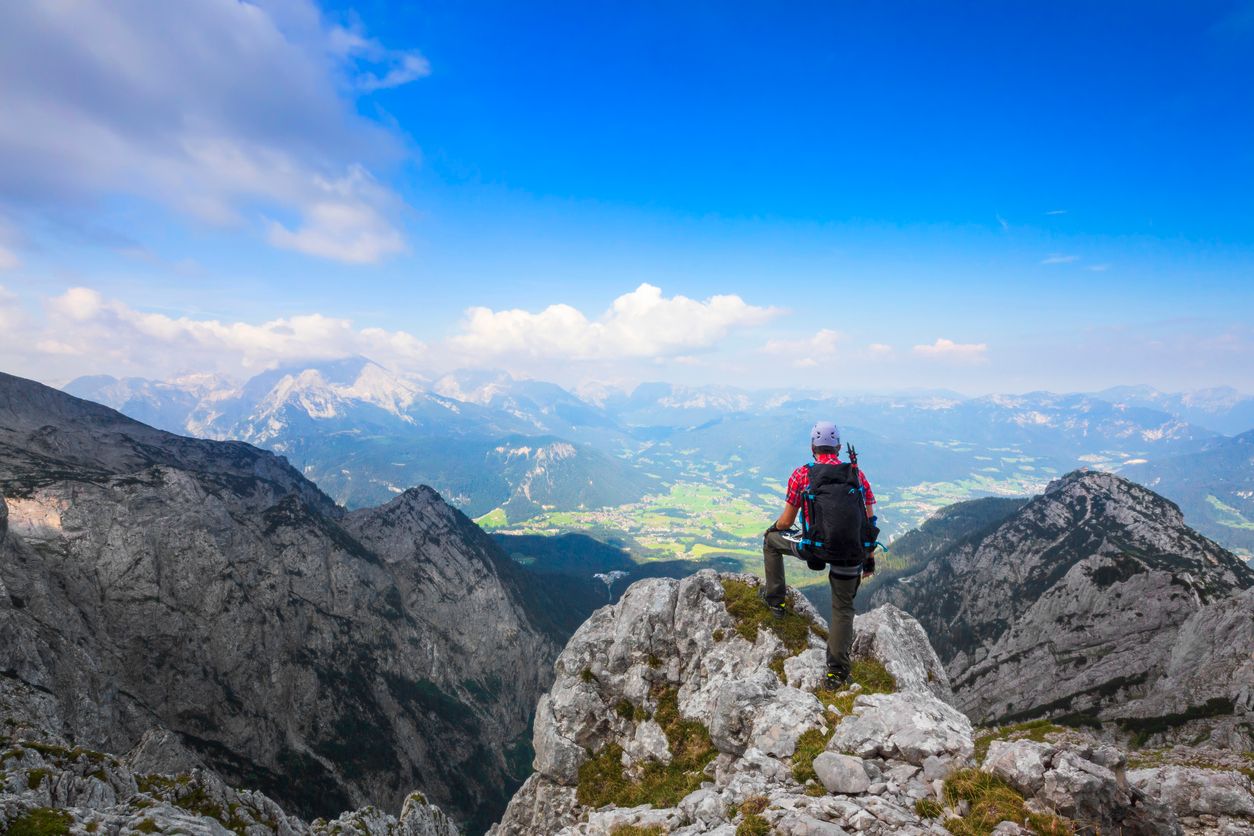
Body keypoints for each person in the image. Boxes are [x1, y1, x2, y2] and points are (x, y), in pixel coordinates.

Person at [762, 421, 876, 688]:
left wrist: (772, 530)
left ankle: (776, 603)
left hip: (814, 547)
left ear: (812, 446)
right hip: (850, 552)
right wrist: (868, 557)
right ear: (838, 447)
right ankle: (837, 673)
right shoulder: (857, 475)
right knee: (843, 608)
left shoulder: (802, 474)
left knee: (770, 543)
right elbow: (868, 522)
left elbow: (786, 522)